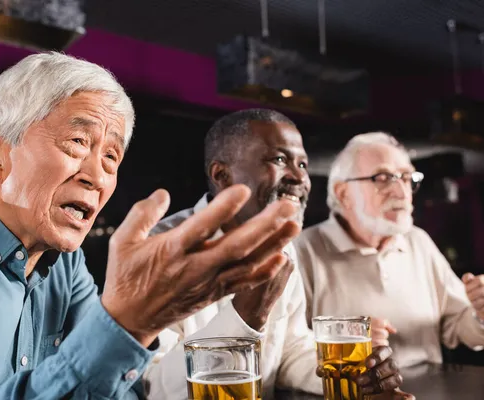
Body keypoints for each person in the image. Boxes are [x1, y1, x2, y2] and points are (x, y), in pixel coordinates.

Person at [0, 53, 306, 399]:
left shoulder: (65, 266)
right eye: (78, 142)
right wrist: (131, 324)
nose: (97, 176)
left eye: (111, 157)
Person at [143, 110, 410, 400]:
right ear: (222, 175)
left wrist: (353, 374)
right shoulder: (162, 248)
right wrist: (246, 318)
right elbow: (154, 386)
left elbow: (291, 353)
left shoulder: (282, 246)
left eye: (303, 164)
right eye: (279, 160)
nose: (299, 177)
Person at [295, 132, 484, 368]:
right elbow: (287, 351)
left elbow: (458, 327)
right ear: (344, 194)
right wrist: (346, 347)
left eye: (406, 178)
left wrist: (480, 313)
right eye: (383, 177)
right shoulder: (303, 250)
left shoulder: (417, 241)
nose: (402, 192)